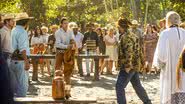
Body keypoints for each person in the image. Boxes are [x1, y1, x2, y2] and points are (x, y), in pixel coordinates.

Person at [116, 17, 151, 104]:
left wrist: (128, 65)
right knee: (137, 86)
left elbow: (129, 51)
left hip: (129, 65)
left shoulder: (126, 36)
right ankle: (148, 102)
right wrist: (142, 63)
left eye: (118, 27)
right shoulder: (133, 35)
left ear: (121, 27)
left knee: (119, 86)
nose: (118, 29)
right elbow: (139, 51)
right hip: (135, 65)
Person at [153, 11, 185, 104]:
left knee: (170, 93)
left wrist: (160, 65)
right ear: (178, 21)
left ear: (168, 21)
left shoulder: (165, 33)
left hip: (169, 70)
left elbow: (161, 56)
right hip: (183, 69)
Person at [10, 12, 33, 97]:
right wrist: (26, 61)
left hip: (12, 60)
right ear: (25, 22)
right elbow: (22, 48)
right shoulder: (22, 32)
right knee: (22, 88)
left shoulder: (13, 30)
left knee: (14, 88)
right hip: (20, 61)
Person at [55, 17, 76, 99]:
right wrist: (67, 46)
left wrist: (72, 43)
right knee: (58, 72)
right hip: (60, 52)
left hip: (68, 53)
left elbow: (73, 40)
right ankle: (58, 91)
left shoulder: (70, 31)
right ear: (61, 24)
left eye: (67, 23)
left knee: (68, 74)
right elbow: (58, 44)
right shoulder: (58, 32)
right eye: (64, 23)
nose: (66, 24)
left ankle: (67, 92)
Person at [0, 14, 15, 103]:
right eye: (12, 20)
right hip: (4, 57)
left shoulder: (10, 31)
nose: (13, 22)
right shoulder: (2, 31)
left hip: (10, 57)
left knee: (10, 81)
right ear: (7, 21)